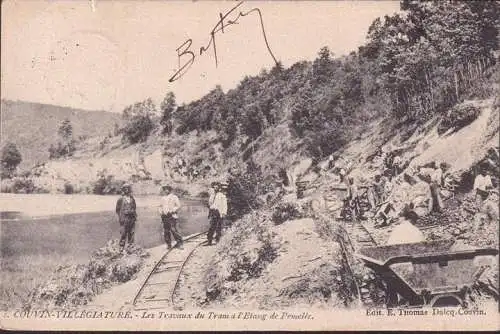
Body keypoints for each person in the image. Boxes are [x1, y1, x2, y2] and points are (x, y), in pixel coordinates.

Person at [159, 184, 183, 249]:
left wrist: (172, 210)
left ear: (169, 190)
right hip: (164, 217)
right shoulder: (163, 198)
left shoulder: (174, 197)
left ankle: (179, 243)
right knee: (166, 231)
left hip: (172, 216)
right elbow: (160, 206)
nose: (165, 190)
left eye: (167, 189)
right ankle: (168, 244)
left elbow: (178, 206)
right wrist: (161, 212)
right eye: (164, 189)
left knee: (174, 230)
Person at [115, 183, 137, 252]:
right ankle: (121, 247)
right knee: (123, 233)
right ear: (123, 190)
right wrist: (121, 218)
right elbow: (117, 210)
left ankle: (130, 247)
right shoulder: (120, 199)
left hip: (131, 218)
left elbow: (134, 207)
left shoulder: (132, 199)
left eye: (128, 188)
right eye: (125, 188)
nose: (126, 189)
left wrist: (134, 216)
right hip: (124, 219)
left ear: (129, 189)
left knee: (131, 232)